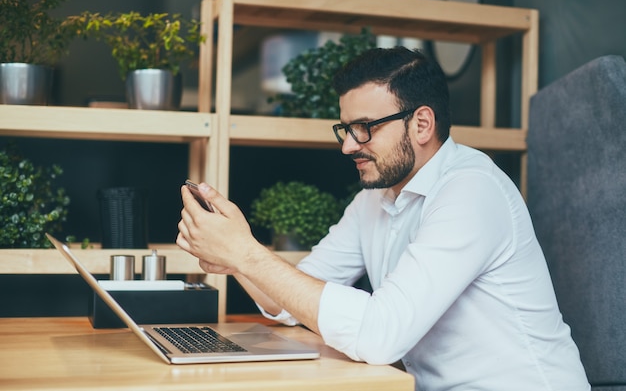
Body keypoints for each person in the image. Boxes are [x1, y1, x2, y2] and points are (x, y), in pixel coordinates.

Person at [177, 47, 590, 390]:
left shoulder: (471, 191)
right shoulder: (374, 201)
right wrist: (233, 256)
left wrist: (248, 256)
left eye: (365, 128)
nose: (348, 146)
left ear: (422, 123)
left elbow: (380, 335)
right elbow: (289, 303)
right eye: (345, 129)